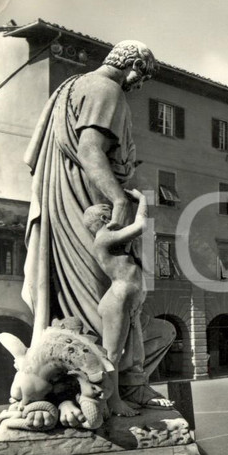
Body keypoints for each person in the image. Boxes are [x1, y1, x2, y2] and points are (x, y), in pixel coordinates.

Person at [22, 40, 172, 412]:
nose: (138, 86)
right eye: (141, 78)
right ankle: (111, 389)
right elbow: (90, 149)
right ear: (133, 65)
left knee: (88, 302)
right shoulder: (108, 89)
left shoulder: (70, 88)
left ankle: (96, 386)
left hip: (66, 201)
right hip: (87, 200)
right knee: (99, 300)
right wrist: (120, 199)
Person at [84, 189, 148, 417]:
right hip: (117, 301)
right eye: (109, 214)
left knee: (128, 355)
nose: (114, 218)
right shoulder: (103, 238)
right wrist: (142, 200)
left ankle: (126, 395)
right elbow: (140, 226)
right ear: (103, 219)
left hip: (125, 301)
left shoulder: (113, 242)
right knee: (113, 355)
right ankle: (114, 403)